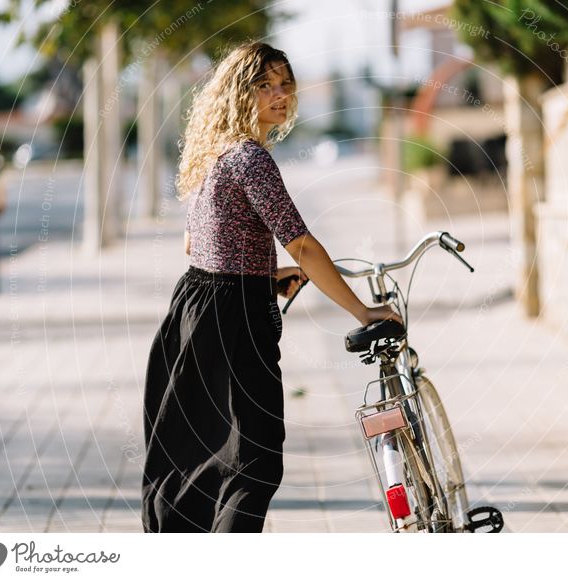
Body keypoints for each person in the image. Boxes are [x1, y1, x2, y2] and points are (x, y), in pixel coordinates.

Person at [141, 41, 401, 533]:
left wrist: (262, 273)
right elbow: (301, 245)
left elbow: (194, 242)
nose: (279, 95)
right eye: (265, 85)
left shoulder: (214, 154)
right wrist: (363, 313)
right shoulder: (249, 159)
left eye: (285, 84)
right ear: (241, 93)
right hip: (233, 316)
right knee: (255, 459)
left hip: (195, 306)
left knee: (202, 455)